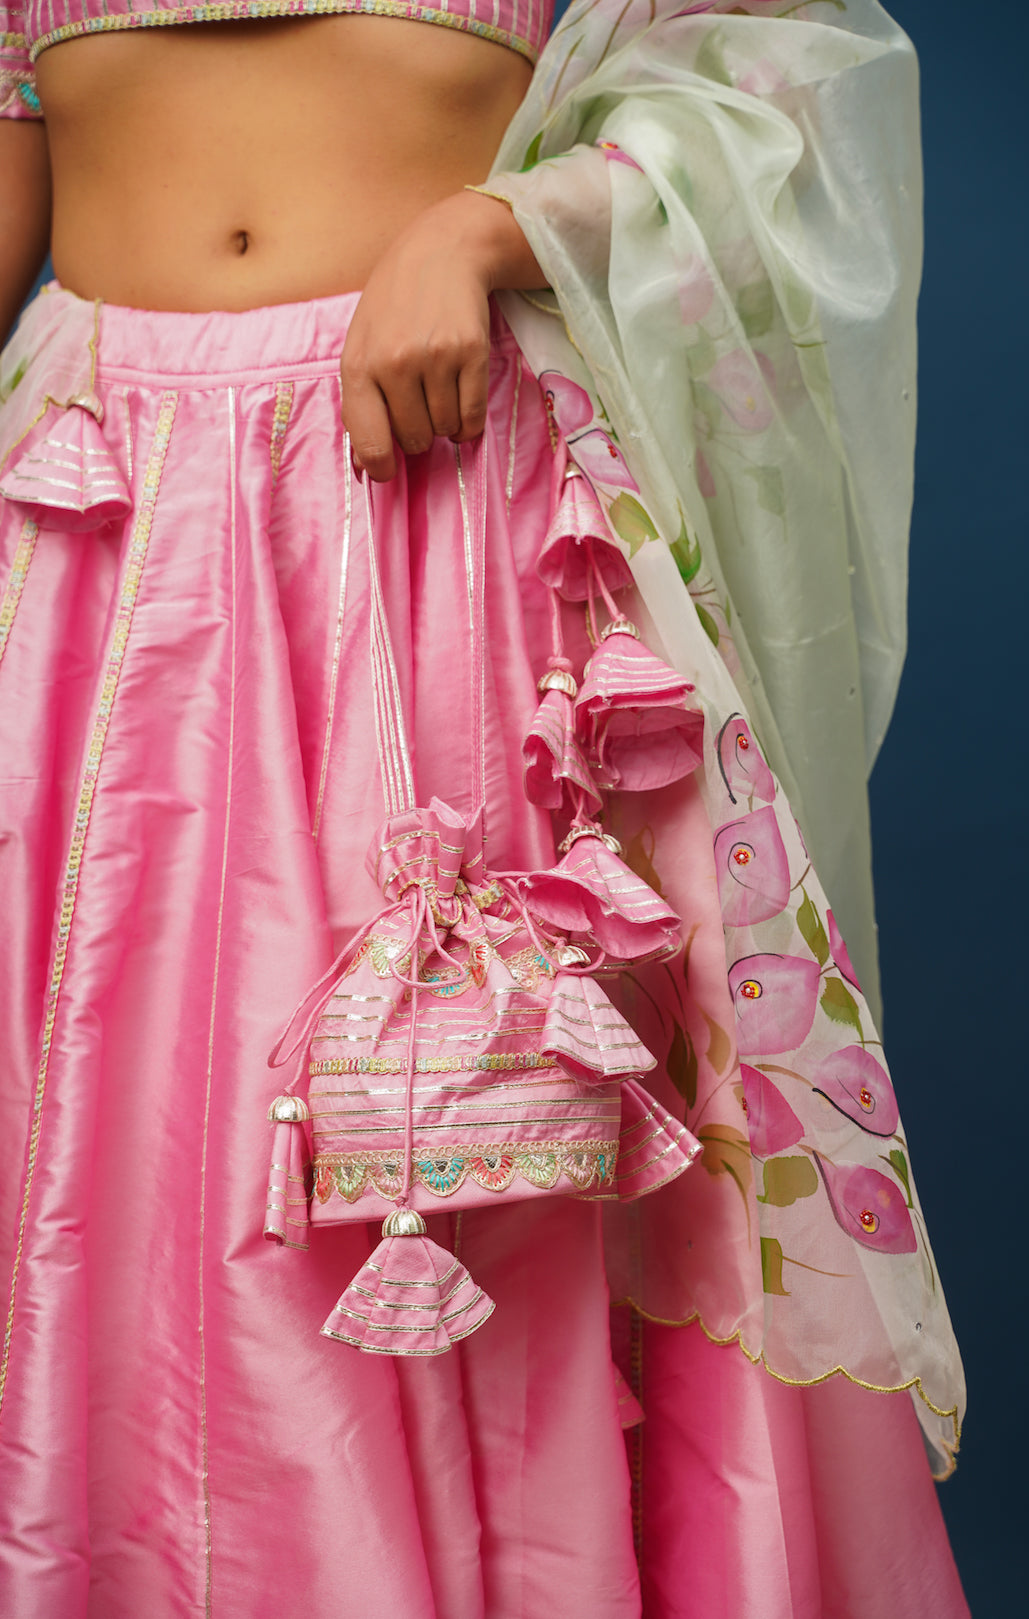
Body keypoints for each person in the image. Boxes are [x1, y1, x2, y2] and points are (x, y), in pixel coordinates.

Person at [0, 1, 969, 1614]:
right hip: (91, 516)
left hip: (428, 497)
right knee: (97, 1109)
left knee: (461, 1090)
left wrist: (486, 224)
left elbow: (784, 102)